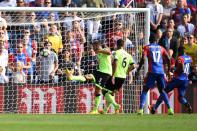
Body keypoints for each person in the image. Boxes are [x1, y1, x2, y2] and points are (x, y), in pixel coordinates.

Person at [65, 40, 112, 114]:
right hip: (99, 71)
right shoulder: (98, 54)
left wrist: (100, 50)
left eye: (94, 47)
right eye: (92, 47)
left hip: (105, 73)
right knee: (88, 76)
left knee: (99, 90)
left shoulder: (104, 49)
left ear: (97, 45)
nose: (93, 48)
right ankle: (72, 77)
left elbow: (109, 52)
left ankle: (96, 109)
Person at [136, 35, 174, 115]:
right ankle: (170, 109)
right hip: (161, 72)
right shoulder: (161, 48)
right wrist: (168, 71)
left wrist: (138, 69)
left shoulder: (147, 47)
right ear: (156, 41)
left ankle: (140, 110)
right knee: (162, 91)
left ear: (149, 40)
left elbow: (143, 58)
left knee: (145, 89)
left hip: (152, 71)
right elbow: (168, 58)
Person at [149, 47, 192, 114]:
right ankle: (187, 104)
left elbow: (182, 68)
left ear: (179, 52)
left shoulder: (180, 58)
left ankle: (154, 108)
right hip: (185, 80)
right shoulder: (189, 58)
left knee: (164, 91)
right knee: (180, 98)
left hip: (178, 79)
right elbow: (189, 68)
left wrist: (175, 71)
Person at [101, 39, 135, 114]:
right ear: (123, 45)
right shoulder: (128, 55)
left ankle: (116, 105)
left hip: (115, 76)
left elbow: (115, 63)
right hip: (123, 78)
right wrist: (127, 71)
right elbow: (133, 66)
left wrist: (112, 75)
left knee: (104, 91)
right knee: (112, 93)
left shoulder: (116, 53)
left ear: (117, 45)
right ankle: (105, 110)